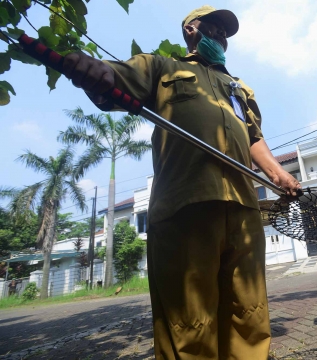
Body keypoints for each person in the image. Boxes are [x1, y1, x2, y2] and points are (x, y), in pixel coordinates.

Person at [62, 5, 300, 359]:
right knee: (189, 322)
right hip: (185, 203)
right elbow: (112, 79)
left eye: (225, 32)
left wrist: (279, 175)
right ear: (191, 29)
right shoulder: (162, 67)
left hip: (243, 207)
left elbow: (253, 139)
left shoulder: (240, 88)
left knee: (249, 312)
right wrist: (90, 69)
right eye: (213, 27)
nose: (221, 34)